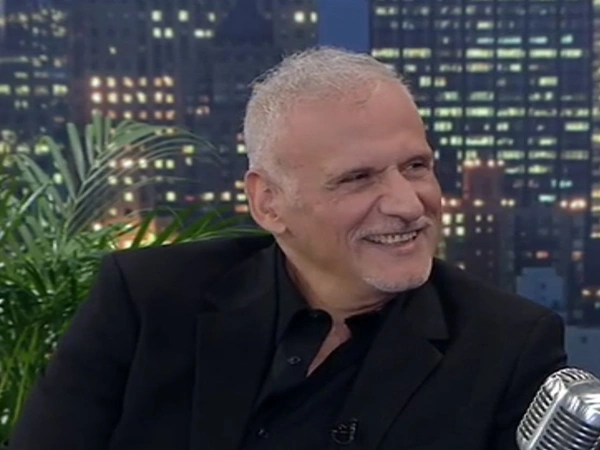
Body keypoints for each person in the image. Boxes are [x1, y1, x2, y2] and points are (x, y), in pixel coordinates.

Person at [9, 47, 567, 450]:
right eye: (357, 178)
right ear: (269, 203)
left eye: (416, 166)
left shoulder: (509, 345)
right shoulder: (147, 300)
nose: (407, 203)